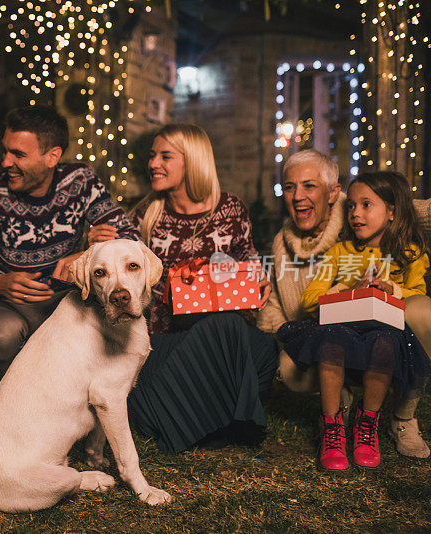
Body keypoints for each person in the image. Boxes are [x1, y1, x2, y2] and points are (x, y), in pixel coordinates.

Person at [90, 123, 278, 453]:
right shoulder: (145, 215)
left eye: (165, 156)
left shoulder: (230, 209)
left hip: (223, 341)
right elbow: (120, 279)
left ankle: (191, 417)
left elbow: (248, 264)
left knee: (230, 330)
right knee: (141, 378)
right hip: (167, 338)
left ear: (192, 161)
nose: (153, 164)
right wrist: (97, 246)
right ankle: (218, 422)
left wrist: (259, 279)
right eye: (152, 156)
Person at [259, 149, 431, 459]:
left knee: (402, 327)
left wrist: (391, 288)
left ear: (332, 192)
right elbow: (306, 298)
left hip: (390, 332)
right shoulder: (337, 251)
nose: (355, 213)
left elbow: (415, 285)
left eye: (309, 185)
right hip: (339, 329)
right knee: (304, 358)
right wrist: (348, 288)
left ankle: (396, 419)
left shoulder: (398, 240)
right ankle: (335, 417)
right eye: (289, 186)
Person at [0, 105, 138, 386]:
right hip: (8, 306)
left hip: (67, 304)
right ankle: (10, 393)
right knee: (2, 335)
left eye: (18, 154)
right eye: (5, 151)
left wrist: (86, 255)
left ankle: (83, 395)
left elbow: (132, 239)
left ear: (52, 157)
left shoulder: (81, 181)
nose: (5, 162)